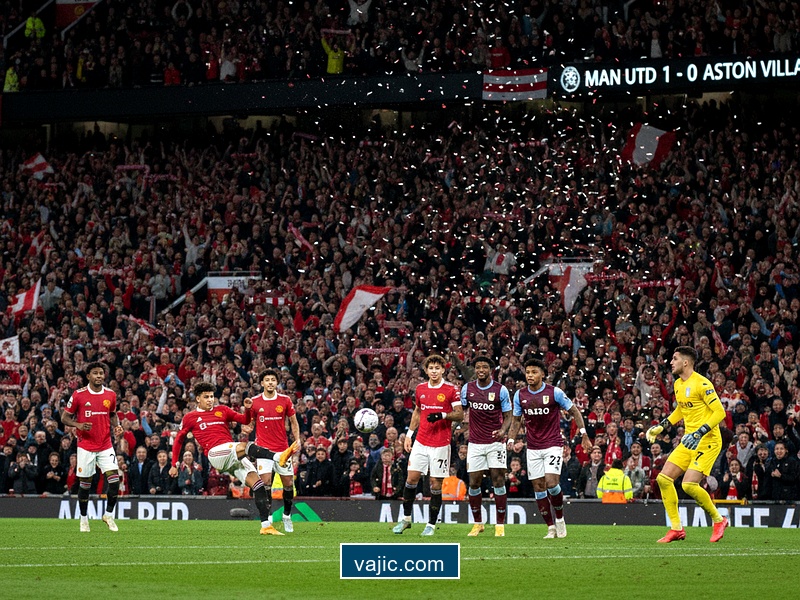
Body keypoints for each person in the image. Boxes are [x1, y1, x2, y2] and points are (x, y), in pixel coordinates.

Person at [169, 381, 295, 535]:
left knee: (259, 485)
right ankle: (278, 456)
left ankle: (266, 525)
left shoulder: (222, 410)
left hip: (233, 455)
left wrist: (248, 410)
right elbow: (179, 440)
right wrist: (174, 463)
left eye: (211, 396)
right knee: (243, 445)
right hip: (216, 454)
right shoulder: (190, 417)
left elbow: (245, 420)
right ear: (197, 399)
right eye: (206, 397)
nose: (210, 399)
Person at [646, 347, 729, 543]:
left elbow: (720, 413)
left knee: (689, 484)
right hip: (689, 441)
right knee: (664, 479)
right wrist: (661, 427)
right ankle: (676, 529)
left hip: (708, 440)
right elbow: (681, 411)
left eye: (674, 359)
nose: (670, 362)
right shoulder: (678, 385)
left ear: (686, 362)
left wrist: (700, 432)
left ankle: (719, 520)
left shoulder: (702, 383)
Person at [506, 358, 591, 538]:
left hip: (552, 444)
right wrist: (511, 439)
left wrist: (583, 434)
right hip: (533, 447)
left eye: (534, 372)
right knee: (538, 487)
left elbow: (574, 410)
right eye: (528, 372)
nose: (530, 375)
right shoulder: (520, 395)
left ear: (543, 374)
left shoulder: (555, 393)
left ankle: (559, 519)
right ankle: (550, 527)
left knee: (552, 483)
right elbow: (516, 420)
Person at [393, 354, 463, 536]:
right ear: (426, 370)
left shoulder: (451, 389)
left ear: (443, 370)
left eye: (437, 368)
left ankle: (431, 525)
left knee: (435, 484)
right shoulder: (420, 389)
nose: (434, 371)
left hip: (440, 444)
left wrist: (443, 415)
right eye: (430, 368)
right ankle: (406, 520)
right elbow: (417, 411)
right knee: (411, 479)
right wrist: (409, 435)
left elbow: (460, 414)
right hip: (421, 441)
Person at [60, 362, 124, 532]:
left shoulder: (110, 394)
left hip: (105, 444)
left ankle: (108, 515)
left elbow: (112, 414)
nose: (99, 376)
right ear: (88, 376)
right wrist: (78, 425)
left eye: (101, 373)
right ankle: (83, 519)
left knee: (114, 480)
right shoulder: (79, 395)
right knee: (85, 483)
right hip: (86, 445)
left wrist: (116, 425)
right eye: (95, 373)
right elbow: (64, 418)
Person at [460, 356, 513, 537]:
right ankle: (478, 524)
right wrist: (457, 427)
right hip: (475, 443)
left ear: (491, 369)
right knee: (474, 482)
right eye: (477, 367)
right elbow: (462, 411)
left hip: (495, 443)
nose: (480, 370)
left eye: (484, 367)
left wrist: (503, 431)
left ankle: (499, 525)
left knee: (498, 480)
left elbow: (508, 416)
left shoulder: (501, 390)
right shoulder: (467, 389)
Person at [246, 369, 301, 533]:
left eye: (273, 380)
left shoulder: (285, 400)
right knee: (265, 482)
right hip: (263, 450)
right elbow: (249, 423)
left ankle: (287, 515)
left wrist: (297, 440)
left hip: (283, 450)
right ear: (262, 383)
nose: (270, 382)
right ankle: (268, 518)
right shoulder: (255, 402)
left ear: (277, 383)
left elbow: (293, 421)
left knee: (288, 485)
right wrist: (245, 428)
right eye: (267, 380)